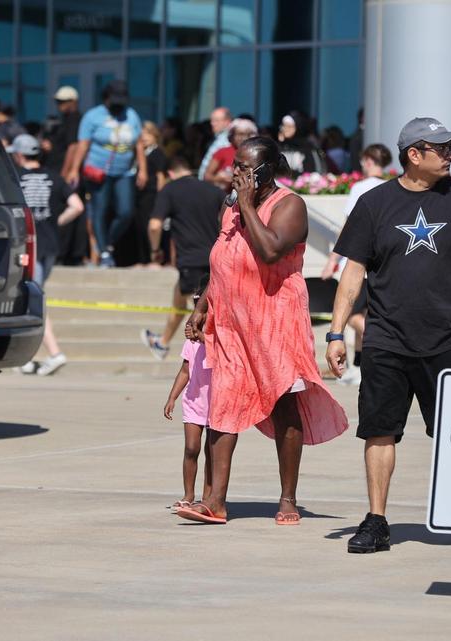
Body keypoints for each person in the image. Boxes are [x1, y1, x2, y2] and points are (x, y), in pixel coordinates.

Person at [325, 117, 451, 553]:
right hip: (385, 339)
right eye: (441, 148)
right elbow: (353, 273)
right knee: (379, 430)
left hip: (444, 340)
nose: (450, 155)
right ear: (413, 155)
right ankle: (377, 521)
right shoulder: (375, 203)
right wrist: (336, 332)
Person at [178, 137, 349, 525]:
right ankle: (215, 502)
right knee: (224, 402)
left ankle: (288, 498)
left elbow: (270, 249)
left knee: (284, 403)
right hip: (232, 324)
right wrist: (202, 307)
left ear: (267, 170)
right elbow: (221, 262)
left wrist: (248, 205)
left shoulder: (290, 205)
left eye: (245, 167)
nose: (236, 173)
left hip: (275, 321)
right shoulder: (232, 209)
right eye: (235, 165)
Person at [9, 134, 85, 376]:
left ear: (19, 155)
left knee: (33, 300)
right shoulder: (54, 176)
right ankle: (27, 357)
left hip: (28, 246)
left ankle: (54, 353)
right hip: (50, 245)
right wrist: (55, 223)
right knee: (30, 297)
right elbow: (77, 206)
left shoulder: (15, 178)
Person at [320, 144, 393, 385]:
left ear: (370, 160)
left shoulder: (361, 187)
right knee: (366, 314)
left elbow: (349, 227)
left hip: (360, 263)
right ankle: (361, 367)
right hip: (383, 264)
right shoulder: (390, 187)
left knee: (351, 317)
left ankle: (380, 349)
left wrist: (333, 260)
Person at [141, 155, 225, 359]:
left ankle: (213, 356)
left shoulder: (170, 189)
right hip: (216, 258)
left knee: (203, 313)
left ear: (170, 173)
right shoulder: (214, 191)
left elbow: (154, 225)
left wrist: (154, 250)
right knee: (179, 296)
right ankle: (162, 343)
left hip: (192, 260)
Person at [69, 80, 142, 268]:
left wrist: (143, 169)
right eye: (114, 99)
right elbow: (83, 144)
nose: (118, 103)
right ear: (106, 98)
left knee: (126, 212)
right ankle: (103, 253)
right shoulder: (93, 116)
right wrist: (74, 169)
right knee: (100, 210)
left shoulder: (131, 115)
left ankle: (107, 243)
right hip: (98, 171)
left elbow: (139, 144)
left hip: (124, 171)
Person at [163, 317, 213, 513]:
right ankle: (188, 495)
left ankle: (208, 496)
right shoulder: (190, 343)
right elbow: (185, 371)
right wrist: (172, 397)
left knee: (212, 453)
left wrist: (202, 337)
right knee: (191, 449)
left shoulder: (218, 340)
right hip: (194, 402)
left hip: (216, 404)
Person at [123, 121, 169, 266]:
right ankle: (142, 258)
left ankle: (153, 258)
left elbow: (161, 176)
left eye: (148, 134)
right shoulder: (140, 154)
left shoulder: (157, 153)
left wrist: (161, 196)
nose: (144, 137)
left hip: (151, 195)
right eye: (142, 134)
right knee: (139, 226)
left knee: (149, 227)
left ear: (155, 135)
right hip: (139, 195)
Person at [204, 118, 258, 191]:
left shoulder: (255, 153)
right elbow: (206, 176)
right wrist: (219, 178)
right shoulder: (222, 152)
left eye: (247, 134)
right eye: (239, 134)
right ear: (232, 135)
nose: (243, 138)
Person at [43, 86, 82, 177]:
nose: (59, 104)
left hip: (62, 171)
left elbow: (73, 147)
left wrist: (65, 173)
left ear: (73, 101)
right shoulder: (64, 119)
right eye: (58, 101)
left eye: (63, 101)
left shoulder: (74, 119)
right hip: (54, 167)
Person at [279, 112, 327, 176]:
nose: (285, 129)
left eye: (289, 126)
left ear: (299, 127)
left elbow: (317, 172)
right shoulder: (279, 147)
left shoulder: (309, 149)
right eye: (284, 125)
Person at [197, 107, 232, 179]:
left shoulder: (228, 140)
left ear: (227, 121)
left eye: (216, 120)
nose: (212, 123)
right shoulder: (220, 137)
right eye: (212, 120)